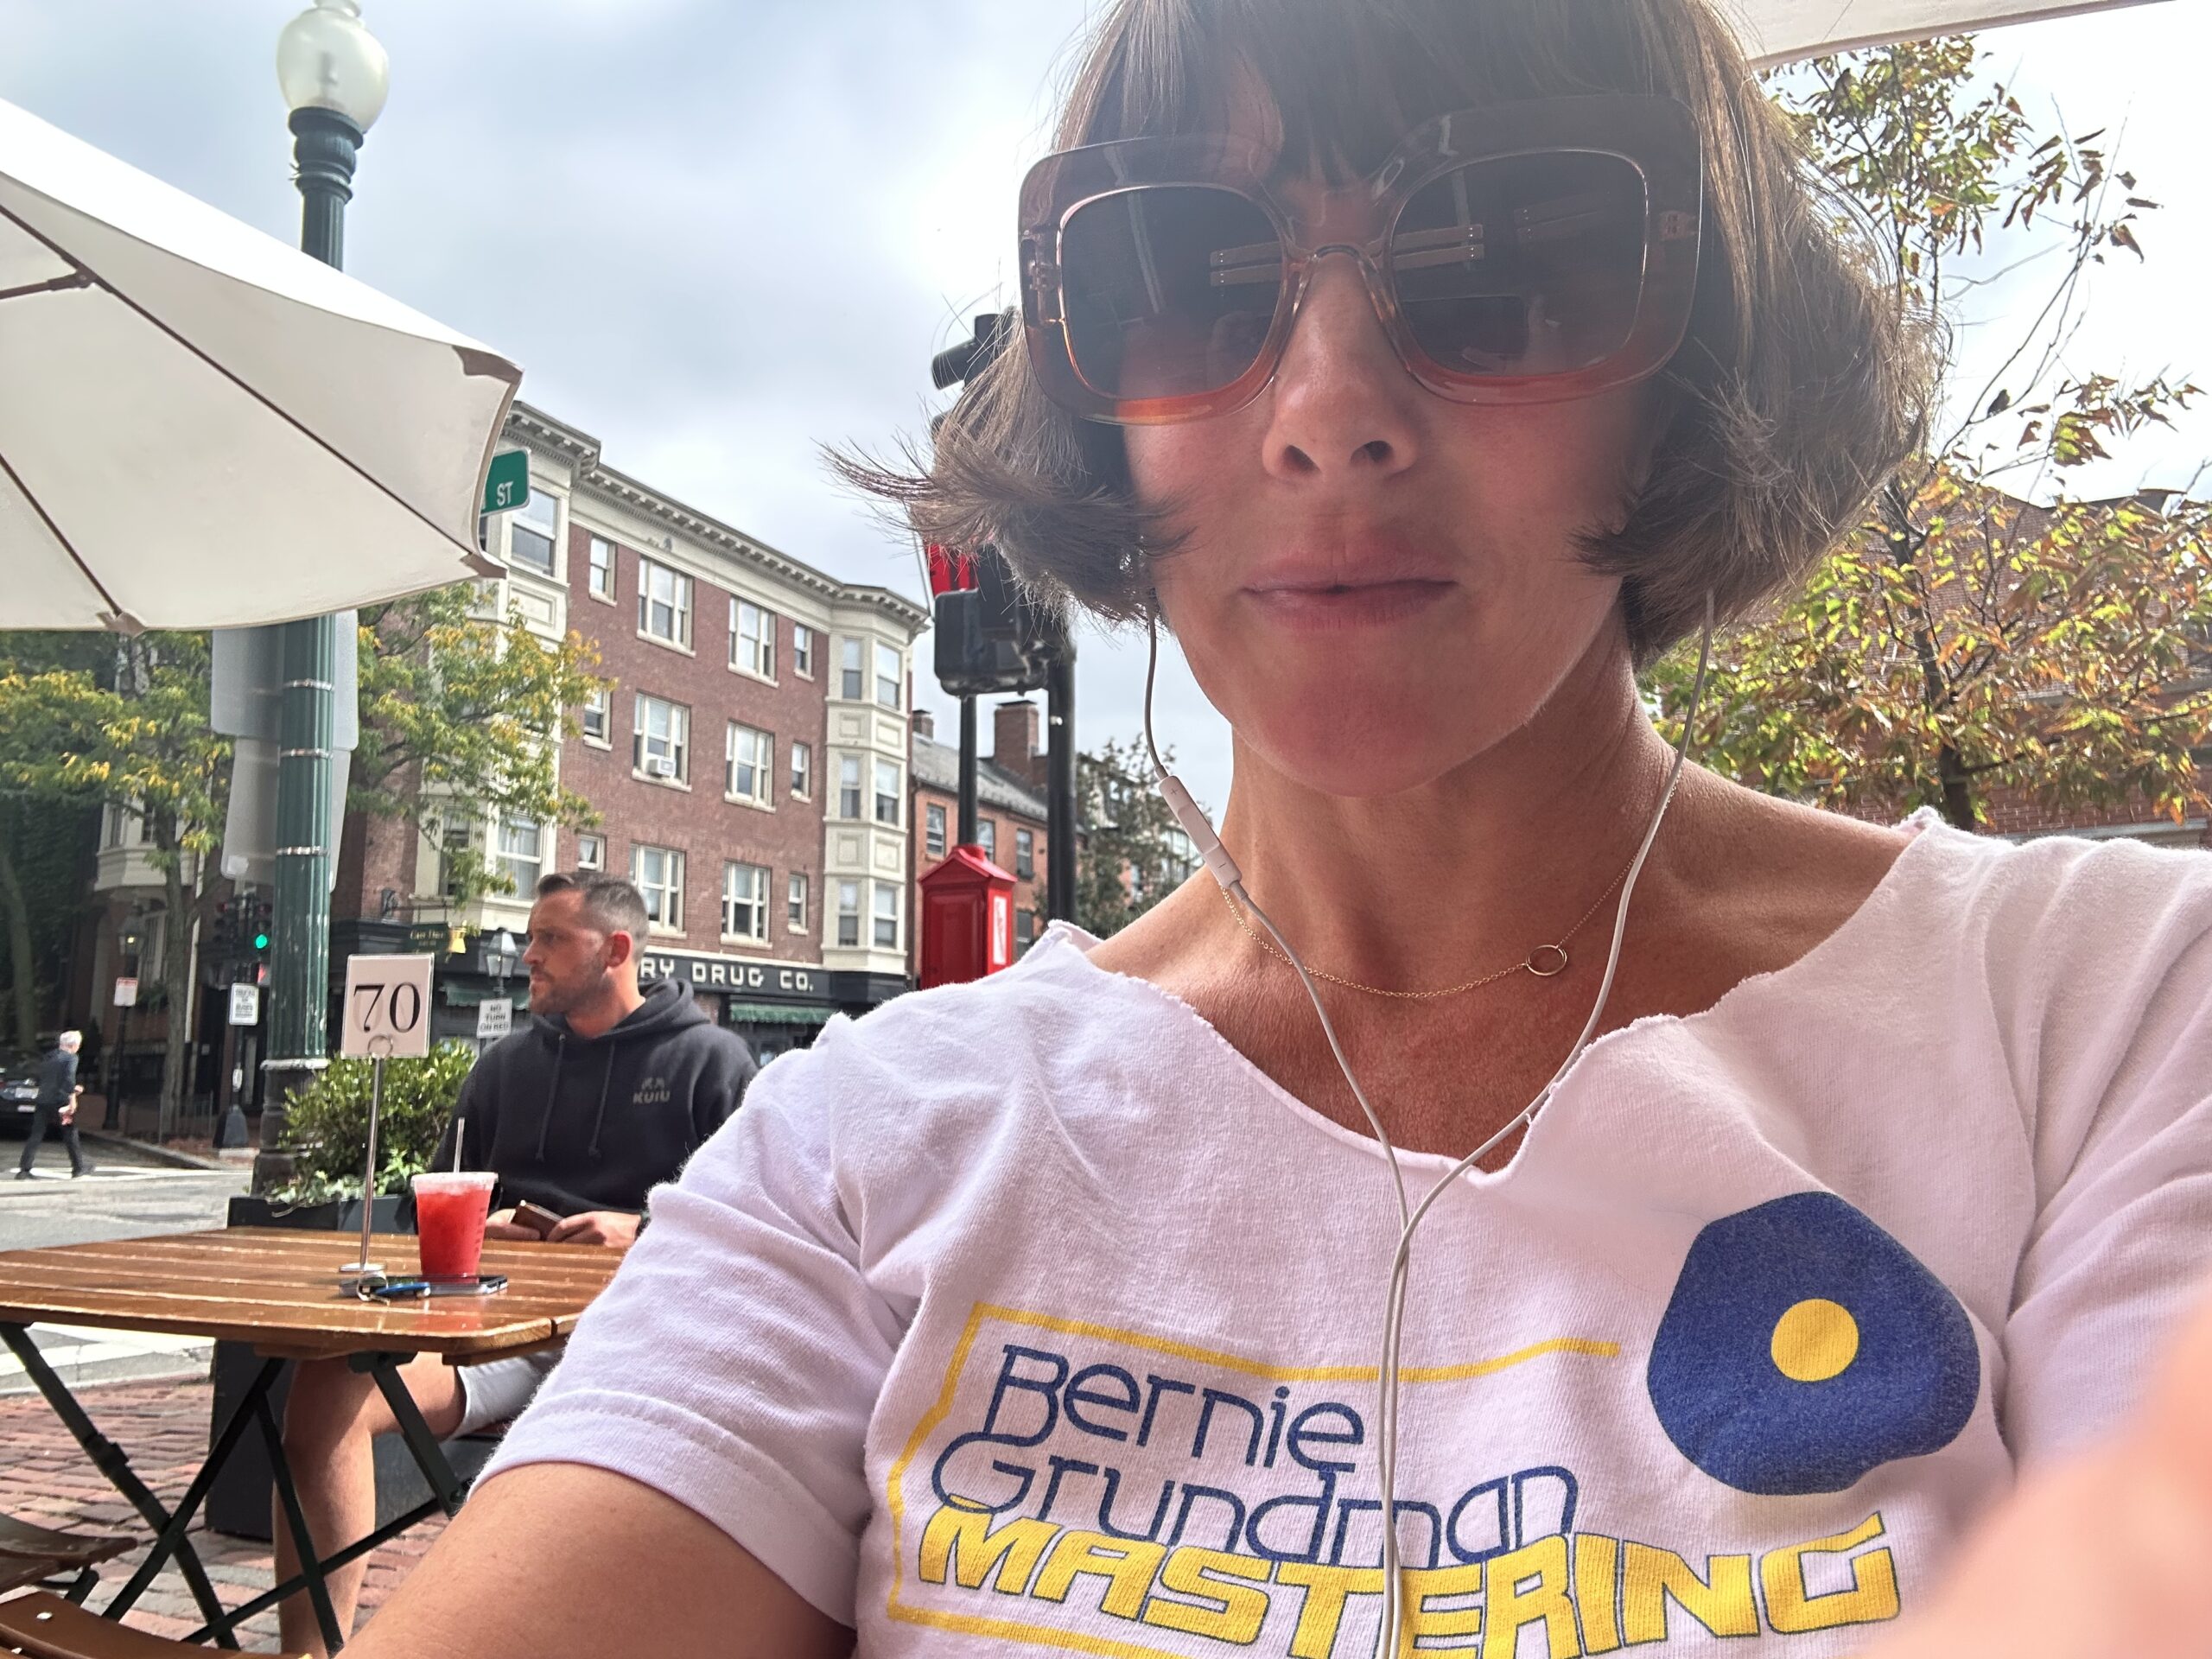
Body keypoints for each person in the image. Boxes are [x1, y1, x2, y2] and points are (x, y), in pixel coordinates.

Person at [352, 1, 2212, 1655]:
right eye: (1183, 275)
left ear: (1692, 375)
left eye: (1506, 260)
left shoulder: (2103, 1017)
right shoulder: (862, 1143)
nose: (1325, 415)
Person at [275, 870, 755, 1654]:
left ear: (618, 950)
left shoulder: (712, 1062)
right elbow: (430, 1195)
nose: (528, 955)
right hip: (495, 1328)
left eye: (551, 940)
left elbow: (757, 1231)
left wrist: (641, 1231)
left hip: (639, 1345)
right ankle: (310, 1653)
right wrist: (481, 1221)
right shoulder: (504, 1066)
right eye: (530, 937)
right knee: (327, 1383)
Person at [14, 1030, 90, 1179]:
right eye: (78, 1045)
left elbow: (47, 1078)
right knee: (70, 1133)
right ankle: (78, 1168)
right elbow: (69, 1078)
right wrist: (72, 1099)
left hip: (43, 1099)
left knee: (36, 1134)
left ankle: (24, 1169)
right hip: (61, 1101)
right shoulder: (71, 1058)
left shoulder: (48, 1057)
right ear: (74, 1045)